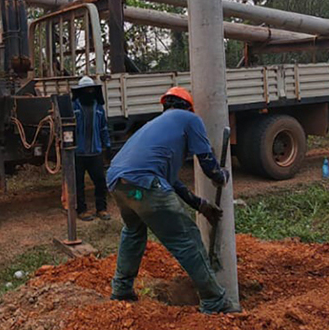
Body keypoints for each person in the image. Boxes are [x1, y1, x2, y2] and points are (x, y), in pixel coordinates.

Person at [105, 87, 238, 314]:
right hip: (145, 184)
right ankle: (214, 299)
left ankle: (122, 289)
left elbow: (171, 183)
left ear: (166, 105)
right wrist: (220, 175)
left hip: (121, 186)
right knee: (186, 238)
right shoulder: (190, 119)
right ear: (188, 107)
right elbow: (206, 159)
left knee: (134, 231)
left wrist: (199, 204)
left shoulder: (157, 126)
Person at [71, 76, 112, 221]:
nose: (89, 91)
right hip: (78, 153)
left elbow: (103, 128)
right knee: (78, 184)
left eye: (91, 89)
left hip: (95, 152)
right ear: (81, 91)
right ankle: (81, 210)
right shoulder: (74, 107)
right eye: (86, 89)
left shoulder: (98, 108)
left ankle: (101, 209)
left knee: (100, 182)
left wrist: (107, 146)